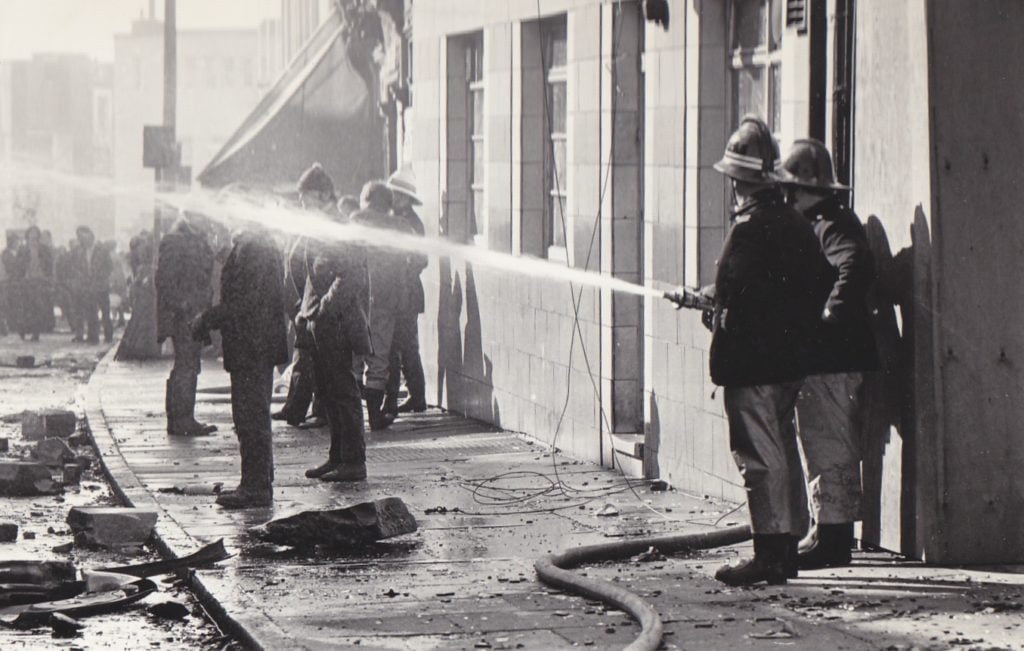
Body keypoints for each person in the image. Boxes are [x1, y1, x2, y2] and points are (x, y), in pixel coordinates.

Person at [706, 116, 830, 586]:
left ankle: (770, 556)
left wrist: (723, 313)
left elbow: (740, 295)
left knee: (759, 458)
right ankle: (786, 549)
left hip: (753, 365)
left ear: (740, 181)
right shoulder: (793, 222)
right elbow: (813, 283)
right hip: (786, 362)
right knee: (780, 451)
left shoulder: (751, 227)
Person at [779, 138, 879, 570]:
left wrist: (827, 317)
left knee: (831, 447)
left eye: (791, 190)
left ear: (806, 190)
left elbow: (853, 265)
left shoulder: (832, 224)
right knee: (821, 446)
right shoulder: (820, 223)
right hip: (823, 360)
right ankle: (827, 530)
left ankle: (835, 542)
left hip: (832, 360)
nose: (787, 198)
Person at [191, 224, 288, 509]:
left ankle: (256, 487)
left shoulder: (254, 248)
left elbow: (246, 302)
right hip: (253, 344)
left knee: (250, 416)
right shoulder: (253, 246)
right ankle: (257, 481)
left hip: (252, 344)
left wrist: (208, 318)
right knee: (251, 415)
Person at [299, 191, 373, 482]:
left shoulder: (340, 231)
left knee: (343, 392)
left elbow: (350, 276)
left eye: (309, 201)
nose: (306, 208)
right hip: (322, 324)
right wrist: (307, 311)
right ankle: (338, 456)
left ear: (323, 197)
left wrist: (325, 307)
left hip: (338, 325)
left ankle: (353, 461)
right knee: (329, 392)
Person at [272, 164, 334, 429]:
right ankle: (296, 407)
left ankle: (317, 410)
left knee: (316, 360)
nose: (301, 202)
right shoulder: (310, 223)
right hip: (303, 303)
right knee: (304, 355)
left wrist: (311, 305)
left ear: (321, 194)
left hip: (314, 305)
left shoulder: (328, 225)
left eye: (305, 196)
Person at [352, 181, 409, 431]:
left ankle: (353, 418)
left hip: (358, 296)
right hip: (387, 298)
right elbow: (418, 259)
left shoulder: (355, 220)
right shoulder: (400, 225)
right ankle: (374, 416)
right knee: (379, 359)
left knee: (354, 357)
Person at [156, 216, 218, 437]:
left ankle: (183, 419)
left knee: (189, 364)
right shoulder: (176, 241)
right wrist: (183, 305)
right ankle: (181, 420)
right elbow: (165, 280)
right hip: (184, 315)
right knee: (186, 365)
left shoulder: (196, 240)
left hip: (192, 312)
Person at [383, 168, 428, 416]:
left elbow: (421, 259)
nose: (394, 197)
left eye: (398, 194)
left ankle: (414, 395)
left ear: (406, 198)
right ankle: (415, 395)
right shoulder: (400, 220)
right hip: (402, 292)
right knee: (401, 345)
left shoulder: (411, 225)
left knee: (404, 345)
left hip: (407, 294)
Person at [70, 226, 114, 344]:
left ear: (90, 235)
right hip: (87, 286)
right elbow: (75, 267)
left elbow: (109, 267)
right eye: (79, 237)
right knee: (91, 311)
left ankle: (108, 335)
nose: (81, 239)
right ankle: (93, 336)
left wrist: (101, 277)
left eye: (83, 236)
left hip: (101, 286)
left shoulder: (102, 250)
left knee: (105, 311)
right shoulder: (78, 251)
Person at [12, 226, 54, 342]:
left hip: (39, 280)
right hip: (26, 281)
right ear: (27, 236)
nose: (33, 237)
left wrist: (48, 277)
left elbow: (49, 264)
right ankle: (23, 330)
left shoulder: (44, 249)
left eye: (35, 234)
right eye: (31, 234)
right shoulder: (23, 249)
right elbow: (17, 265)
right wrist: (19, 278)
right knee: (26, 307)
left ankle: (36, 333)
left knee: (37, 307)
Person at [55, 240, 80, 335]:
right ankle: (74, 326)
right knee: (70, 306)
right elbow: (59, 270)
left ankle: (76, 326)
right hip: (68, 284)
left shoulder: (79, 255)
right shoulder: (65, 257)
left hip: (74, 284)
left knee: (74, 306)